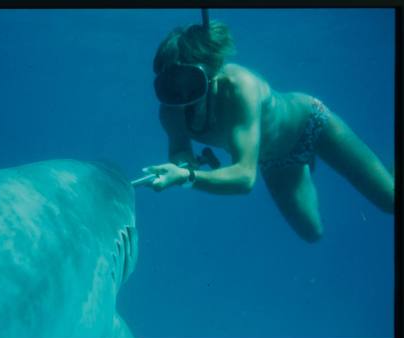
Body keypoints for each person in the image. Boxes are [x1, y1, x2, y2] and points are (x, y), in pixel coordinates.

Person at [142, 20, 394, 243]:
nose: (182, 96)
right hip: (275, 159)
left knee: (390, 200)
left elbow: (245, 177)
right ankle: (305, 165)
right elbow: (179, 150)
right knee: (311, 232)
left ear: (212, 73)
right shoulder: (170, 113)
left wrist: (187, 177)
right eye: (170, 86)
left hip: (312, 125)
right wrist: (186, 166)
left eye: (191, 83)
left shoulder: (240, 89)